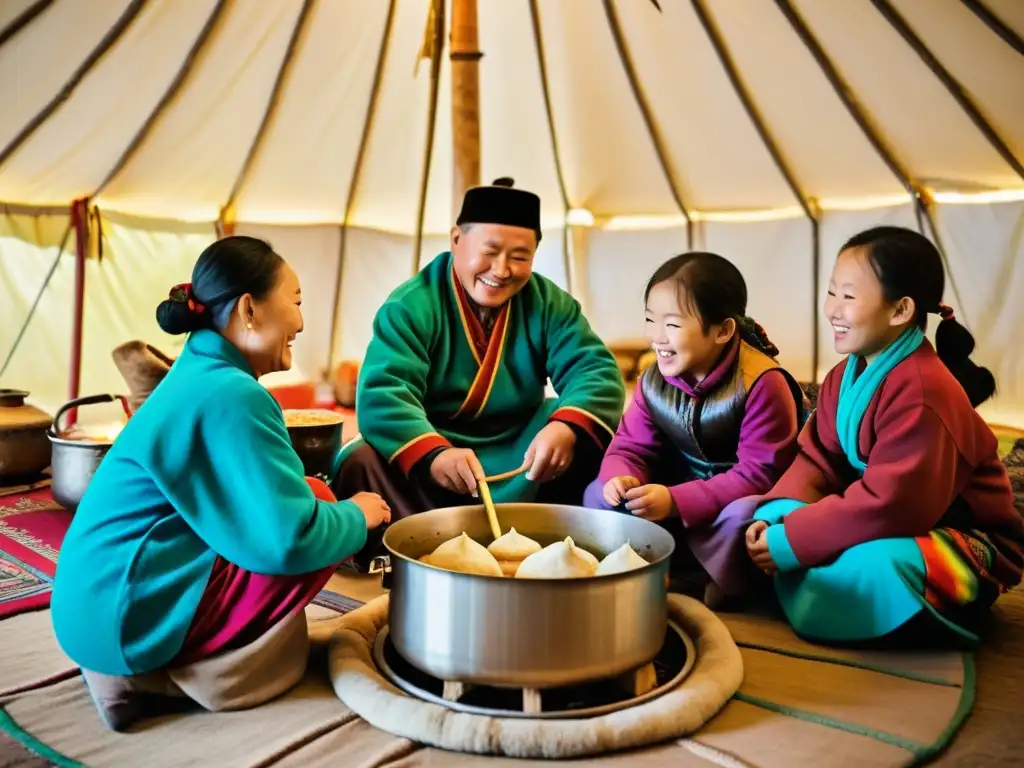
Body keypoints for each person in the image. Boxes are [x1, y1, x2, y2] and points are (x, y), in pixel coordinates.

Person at [50, 236, 391, 731]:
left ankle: (137, 671)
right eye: (296, 302)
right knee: (316, 507)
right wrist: (360, 514)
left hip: (90, 611)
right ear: (249, 309)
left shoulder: (197, 371)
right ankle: (187, 676)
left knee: (298, 504)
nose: (301, 321)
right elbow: (289, 541)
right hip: (126, 622)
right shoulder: (233, 394)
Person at [741, 225, 1024, 647]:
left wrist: (796, 538)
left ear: (900, 310)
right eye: (832, 292)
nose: (832, 309)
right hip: (886, 518)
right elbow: (819, 459)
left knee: (873, 565)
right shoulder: (843, 375)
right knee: (750, 521)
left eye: (848, 297)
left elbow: (893, 504)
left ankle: (930, 606)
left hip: (962, 537)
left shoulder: (926, 392)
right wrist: (778, 516)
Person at [333, 179, 624, 548]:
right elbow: (384, 391)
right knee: (361, 461)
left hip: (522, 450)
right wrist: (435, 455)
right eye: (490, 252)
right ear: (456, 240)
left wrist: (565, 428)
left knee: (590, 441)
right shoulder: (410, 306)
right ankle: (417, 546)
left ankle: (558, 543)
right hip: (434, 448)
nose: (501, 270)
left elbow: (594, 369)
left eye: (519, 257)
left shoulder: (550, 303)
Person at [582, 252, 806, 604]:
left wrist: (675, 501)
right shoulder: (654, 381)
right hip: (676, 492)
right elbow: (630, 447)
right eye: (650, 320)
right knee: (598, 493)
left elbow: (760, 474)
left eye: (671, 324)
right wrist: (621, 477)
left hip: (735, 497)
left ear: (723, 331)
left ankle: (712, 582)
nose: (656, 337)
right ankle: (643, 569)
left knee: (744, 517)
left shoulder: (762, 383)